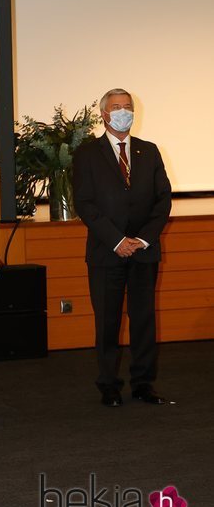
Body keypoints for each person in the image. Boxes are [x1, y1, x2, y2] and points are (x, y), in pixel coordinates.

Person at [72, 88, 171, 407]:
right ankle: (109, 385)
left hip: (144, 250)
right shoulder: (87, 154)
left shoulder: (149, 151)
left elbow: (163, 201)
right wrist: (116, 240)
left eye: (127, 107)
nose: (123, 112)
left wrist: (142, 239)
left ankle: (143, 383)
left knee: (143, 319)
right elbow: (84, 203)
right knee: (108, 320)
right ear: (104, 114)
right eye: (116, 107)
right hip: (106, 251)